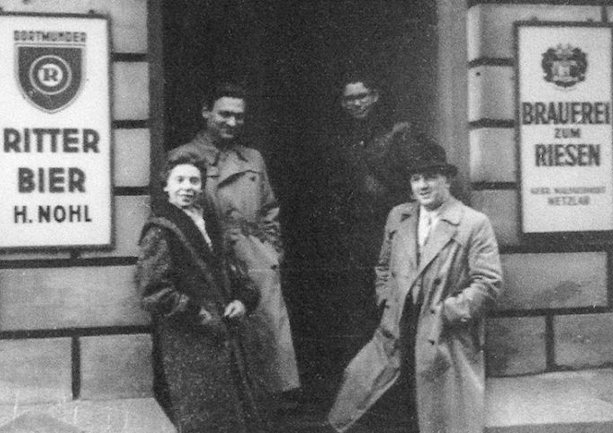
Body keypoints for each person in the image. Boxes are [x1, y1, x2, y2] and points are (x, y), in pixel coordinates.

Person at [328, 135, 503, 433]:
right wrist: (388, 301)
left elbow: (488, 283)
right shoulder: (399, 216)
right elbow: (383, 267)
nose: (422, 186)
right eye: (416, 178)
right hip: (398, 330)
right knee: (375, 399)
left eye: (430, 177)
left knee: (437, 414)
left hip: (443, 336)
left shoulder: (473, 223)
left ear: (447, 179)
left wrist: (447, 312)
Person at [169, 83, 300, 404]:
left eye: (239, 117)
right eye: (224, 114)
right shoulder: (183, 158)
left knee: (267, 346)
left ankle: (268, 409)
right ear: (206, 112)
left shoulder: (252, 158)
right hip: (210, 258)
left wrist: (271, 251)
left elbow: (269, 209)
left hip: (255, 259)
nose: (232, 122)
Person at [136, 154, 264, 433]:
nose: (187, 187)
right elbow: (153, 290)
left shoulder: (209, 223)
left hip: (223, 336)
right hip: (187, 342)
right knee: (201, 419)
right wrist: (198, 313)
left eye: (194, 181)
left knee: (230, 418)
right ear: (166, 186)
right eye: (179, 180)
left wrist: (242, 300)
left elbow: (233, 270)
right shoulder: (161, 229)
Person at [317, 71, 413, 365]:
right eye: (349, 99)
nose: (356, 104)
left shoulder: (397, 132)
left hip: (390, 232)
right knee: (357, 307)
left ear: (375, 96)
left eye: (362, 96)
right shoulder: (337, 140)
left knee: (392, 302)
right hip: (353, 236)